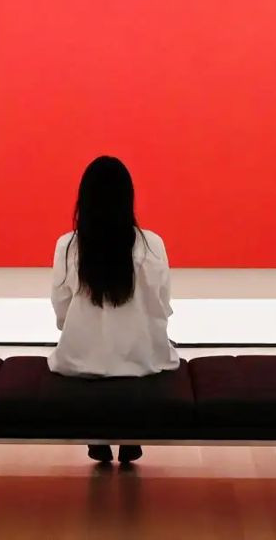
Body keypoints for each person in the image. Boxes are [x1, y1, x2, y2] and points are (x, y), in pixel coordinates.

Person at [49, 155, 180, 465]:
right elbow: (161, 307)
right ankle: (130, 433)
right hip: (141, 358)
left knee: (90, 352)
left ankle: (98, 435)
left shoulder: (68, 246)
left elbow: (61, 309)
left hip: (82, 358)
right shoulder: (152, 244)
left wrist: (77, 329)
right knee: (145, 352)